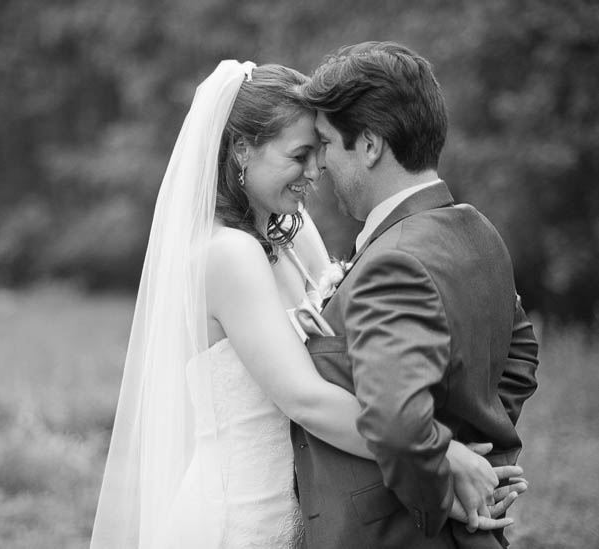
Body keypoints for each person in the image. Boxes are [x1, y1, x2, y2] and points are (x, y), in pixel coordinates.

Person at [90, 60, 524, 548]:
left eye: (320, 151)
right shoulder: (229, 253)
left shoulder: (294, 236)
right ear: (241, 151)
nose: (316, 172)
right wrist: (443, 457)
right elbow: (305, 398)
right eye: (300, 155)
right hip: (247, 517)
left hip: (315, 506)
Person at [291, 41, 540, 548]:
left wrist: (446, 492)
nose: (318, 166)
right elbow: (522, 352)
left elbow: (397, 424)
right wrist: (482, 449)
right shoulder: (477, 231)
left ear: (369, 145)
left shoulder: (395, 260)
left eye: (325, 144)